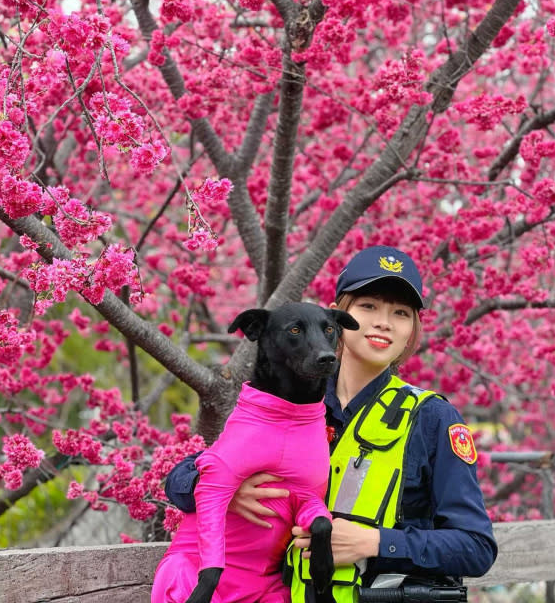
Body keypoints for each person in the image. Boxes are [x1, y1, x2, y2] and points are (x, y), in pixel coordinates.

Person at [164, 246, 497, 601]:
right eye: (368, 306)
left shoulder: (431, 418)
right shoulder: (291, 397)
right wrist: (229, 493)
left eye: (401, 313)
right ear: (336, 319)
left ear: (412, 328)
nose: (383, 322)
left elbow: (475, 547)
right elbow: (184, 479)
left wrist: (376, 542)